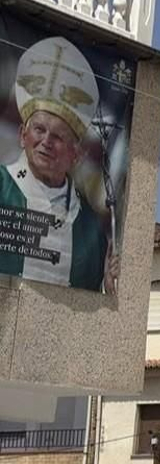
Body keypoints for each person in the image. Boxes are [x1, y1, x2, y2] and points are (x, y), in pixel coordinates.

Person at [0, 37, 112, 291]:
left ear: (76, 154)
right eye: (39, 129)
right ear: (22, 135)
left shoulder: (91, 228)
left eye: (59, 137)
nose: (46, 142)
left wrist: (107, 287)